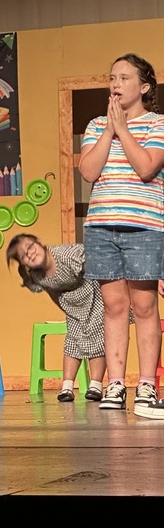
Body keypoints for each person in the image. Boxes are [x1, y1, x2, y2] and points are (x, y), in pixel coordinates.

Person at [77, 53, 164, 417]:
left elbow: (146, 168)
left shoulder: (158, 124)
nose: (115, 84)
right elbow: (88, 170)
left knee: (144, 306)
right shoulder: (97, 125)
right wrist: (110, 130)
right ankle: (115, 382)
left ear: (143, 86)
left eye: (125, 78)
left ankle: (146, 383)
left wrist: (124, 131)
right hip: (101, 226)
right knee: (114, 308)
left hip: (143, 225)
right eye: (112, 77)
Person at [5, 233, 107, 402]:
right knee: (73, 340)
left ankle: (96, 384)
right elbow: (52, 292)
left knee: (97, 337)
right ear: (23, 264)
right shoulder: (36, 275)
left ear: (40, 242)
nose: (29, 254)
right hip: (71, 302)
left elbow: (97, 263)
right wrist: (65, 308)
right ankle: (67, 386)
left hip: (93, 293)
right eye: (23, 256)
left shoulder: (68, 255)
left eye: (30, 247)